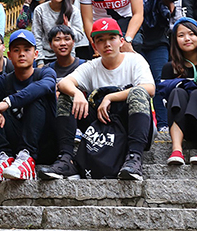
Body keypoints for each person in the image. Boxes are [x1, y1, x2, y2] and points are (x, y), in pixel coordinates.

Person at [40, 17, 155, 181]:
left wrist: (110, 97)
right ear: (94, 46)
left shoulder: (135, 60)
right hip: (102, 126)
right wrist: (78, 93)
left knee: (138, 93)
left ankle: (134, 158)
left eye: (112, 38)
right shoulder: (91, 66)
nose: (107, 44)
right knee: (67, 96)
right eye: (101, 40)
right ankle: (66, 159)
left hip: (132, 123)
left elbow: (149, 89)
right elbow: (64, 83)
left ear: (121, 41)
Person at [0, 30, 57, 181]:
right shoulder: (4, 80)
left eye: (27, 50)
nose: (22, 54)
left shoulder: (45, 73)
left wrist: (6, 102)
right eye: (16, 50)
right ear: (9, 55)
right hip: (15, 139)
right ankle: (4, 157)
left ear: (35, 54)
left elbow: (45, 86)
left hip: (44, 142)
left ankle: (27, 158)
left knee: (35, 95)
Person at [158, 18, 197, 165]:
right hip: (186, 123)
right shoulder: (170, 68)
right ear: (175, 40)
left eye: (191, 34)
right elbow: (166, 98)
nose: (187, 39)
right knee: (177, 92)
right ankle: (177, 149)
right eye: (181, 35)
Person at [32, 0, 86, 65]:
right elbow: (37, 36)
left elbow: (79, 36)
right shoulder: (40, 10)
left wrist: (69, 28)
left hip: (68, 57)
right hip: (46, 57)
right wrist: (40, 61)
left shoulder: (74, 11)